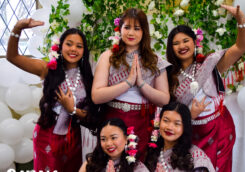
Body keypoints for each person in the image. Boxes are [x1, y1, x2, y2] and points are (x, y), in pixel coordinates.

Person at [7, 18, 98, 172]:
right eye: (69, 44)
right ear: (60, 46)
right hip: (46, 135)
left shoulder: (88, 78)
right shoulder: (48, 68)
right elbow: (12, 57)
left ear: (84, 51)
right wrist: (18, 28)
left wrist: (72, 110)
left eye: (79, 46)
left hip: (73, 140)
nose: (73, 49)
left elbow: (91, 117)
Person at [166, 5, 245, 172]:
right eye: (176, 43)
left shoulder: (210, 63)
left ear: (194, 42)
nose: (181, 45)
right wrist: (189, 115)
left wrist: (241, 20)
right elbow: (168, 113)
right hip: (191, 134)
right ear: (171, 48)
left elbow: (241, 47)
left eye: (185, 40)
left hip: (219, 131)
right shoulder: (169, 76)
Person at [91, 8, 171, 158]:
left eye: (136, 28)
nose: (131, 33)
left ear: (144, 32)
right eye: (127, 27)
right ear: (119, 29)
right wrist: (127, 83)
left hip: (144, 123)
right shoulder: (108, 57)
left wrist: (141, 84)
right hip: (112, 121)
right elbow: (96, 96)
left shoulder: (155, 61)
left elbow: (164, 100)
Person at [145, 102, 215, 172]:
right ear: (159, 121)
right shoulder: (153, 150)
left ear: (185, 127)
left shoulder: (196, 157)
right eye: (166, 121)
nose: (169, 127)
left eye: (177, 124)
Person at [79, 118, 149, 172]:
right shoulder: (92, 162)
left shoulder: (137, 168)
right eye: (103, 139)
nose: (108, 143)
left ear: (126, 139)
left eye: (114, 138)